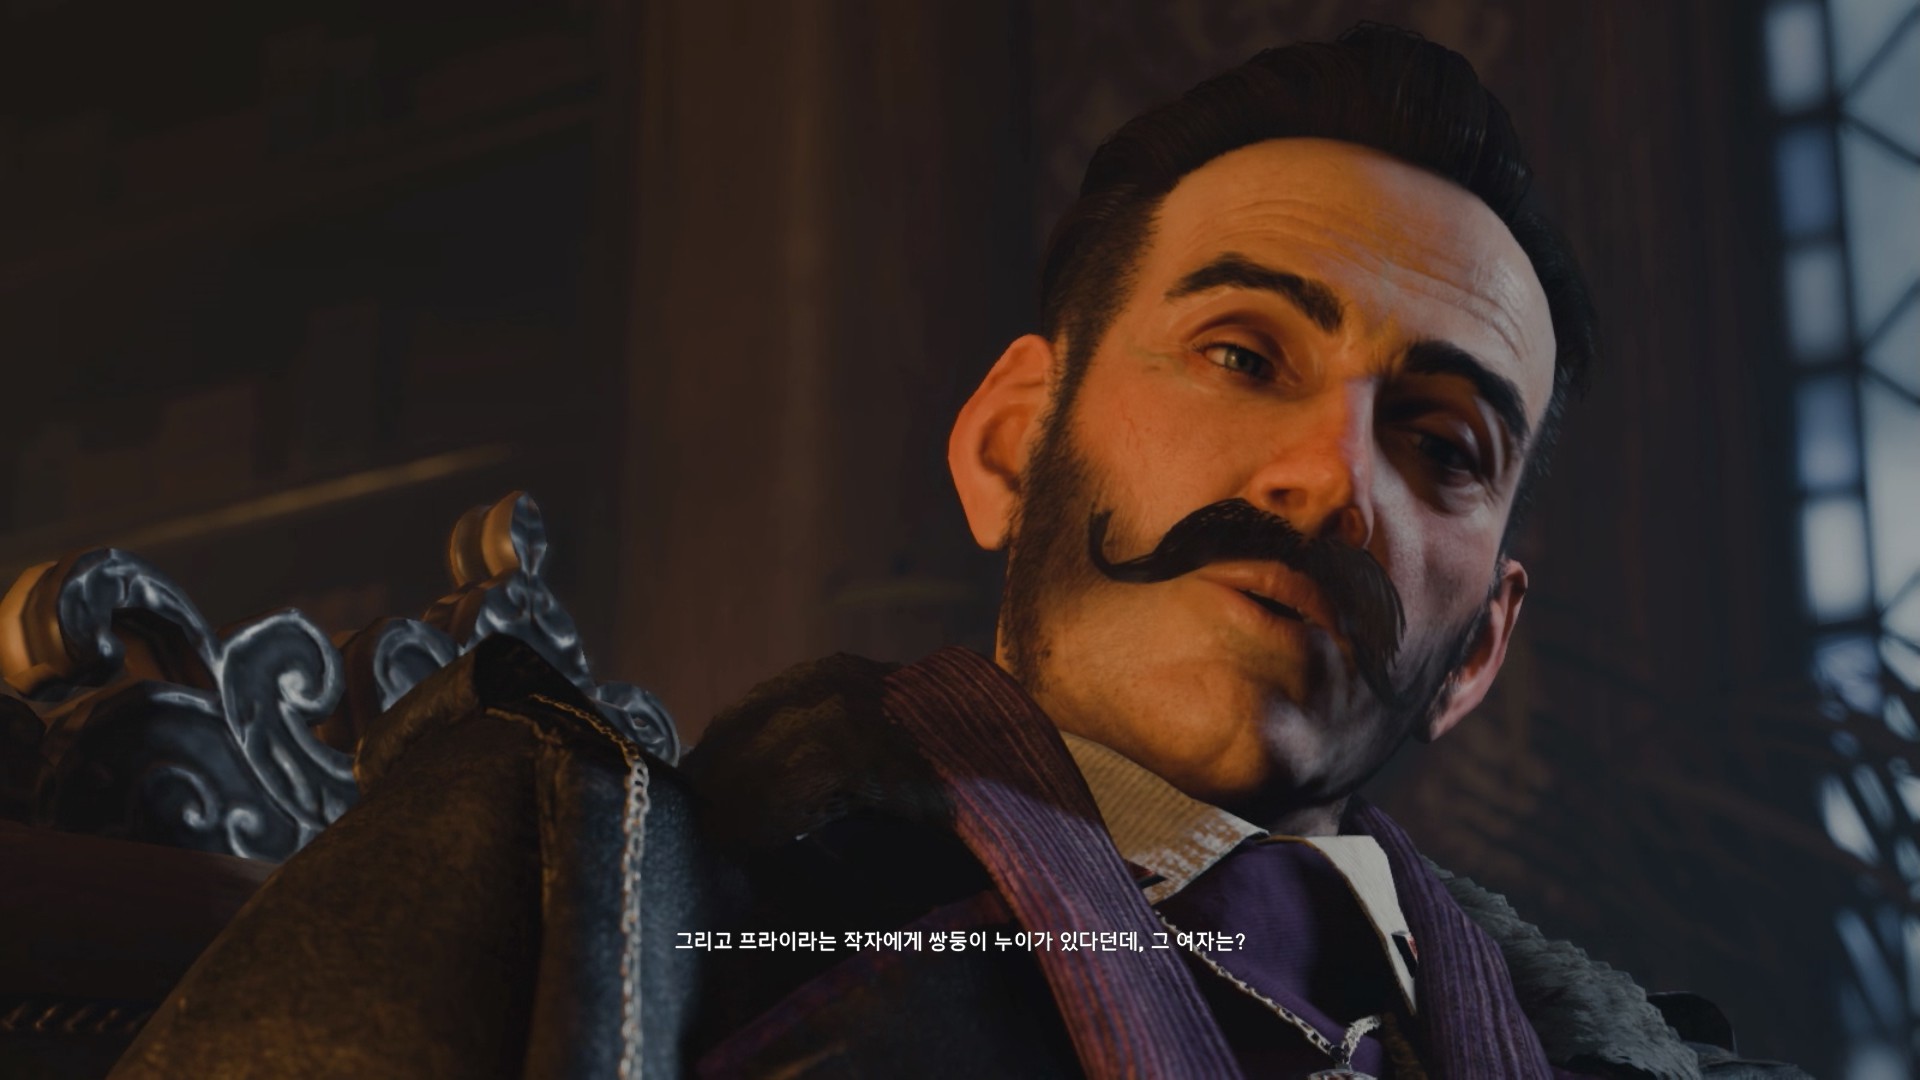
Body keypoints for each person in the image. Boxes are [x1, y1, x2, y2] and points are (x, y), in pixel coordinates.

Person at [111, 24, 1805, 1080]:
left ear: (1481, 647)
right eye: (1240, 355)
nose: (1327, 480)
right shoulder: (572, 884)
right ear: (1012, 442)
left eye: (1440, 446)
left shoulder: (1649, 1062)